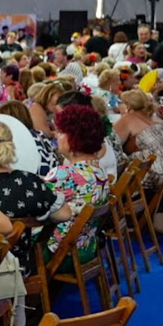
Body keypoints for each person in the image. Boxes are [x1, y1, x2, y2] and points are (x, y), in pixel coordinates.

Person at [41, 105, 114, 263]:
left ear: (74, 138)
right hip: (86, 248)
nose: (56, 136)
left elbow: (36, 205)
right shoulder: (98, 170)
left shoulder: (63, 174)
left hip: (60, 253)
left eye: (61, 132)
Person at [113, 88, 163, 185]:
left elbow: (112, 144)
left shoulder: (128, 118)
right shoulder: (157, 119)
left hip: (155, 174)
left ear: (128, 105)